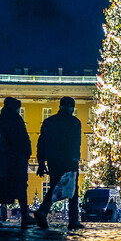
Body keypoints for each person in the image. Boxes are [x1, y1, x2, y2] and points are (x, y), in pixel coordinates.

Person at [35, 96, 83, 230]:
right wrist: (75, 160)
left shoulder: (49, 122)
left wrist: (41, 162)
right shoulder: (74, 122)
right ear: (72, 108)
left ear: (60, 106)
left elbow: (41, 142)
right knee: (73, 190)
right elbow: (75, 143)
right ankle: (73, 221)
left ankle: (43, 211)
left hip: (53, 160)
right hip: (69, 160)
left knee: (55, 186)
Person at [0, 97, 31, 229]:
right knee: (21, 188)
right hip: (14, 163)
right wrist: (27, 154)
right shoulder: (16, 120)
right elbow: (24, 139)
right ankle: (24, 217)